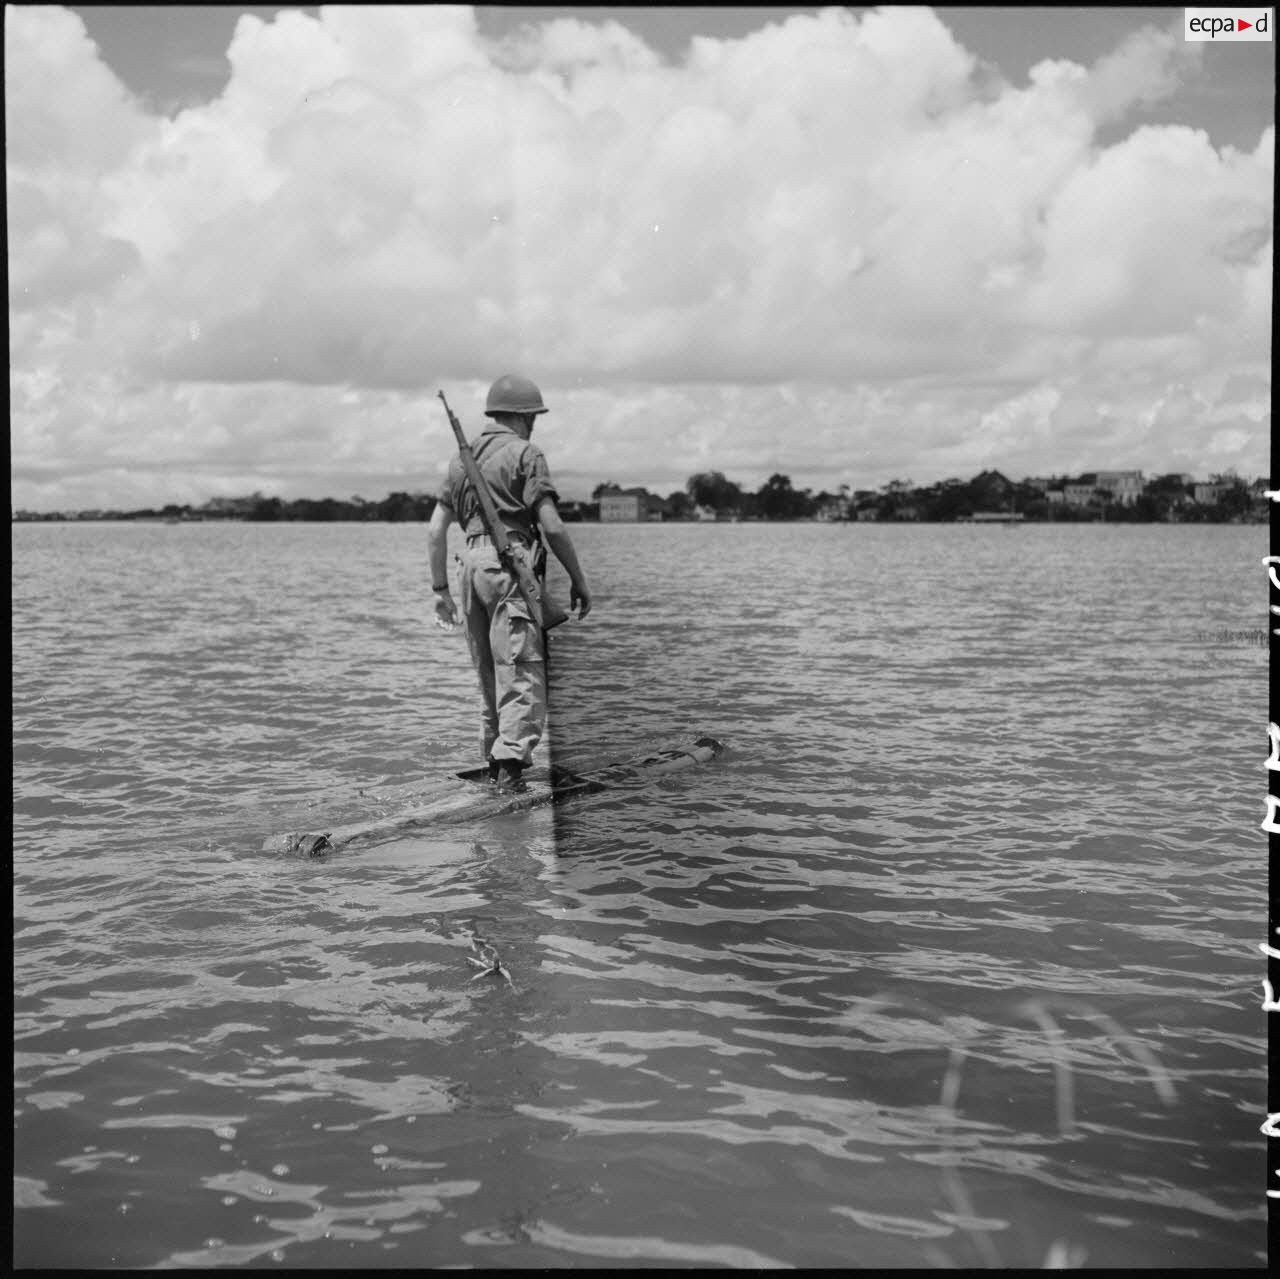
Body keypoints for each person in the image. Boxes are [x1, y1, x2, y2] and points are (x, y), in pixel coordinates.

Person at [427, 374, 592, 792]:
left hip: (468, 565)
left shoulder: (458, 461)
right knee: (521, 668)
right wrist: (578, 579)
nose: (534, 424)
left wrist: (440, 592)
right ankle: (509, 772)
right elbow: (551, 526)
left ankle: (495, 759)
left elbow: (435, 531)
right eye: (532, 417)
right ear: (523, 417)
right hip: (507, 565)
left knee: (489, 672)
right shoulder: (526, 454)